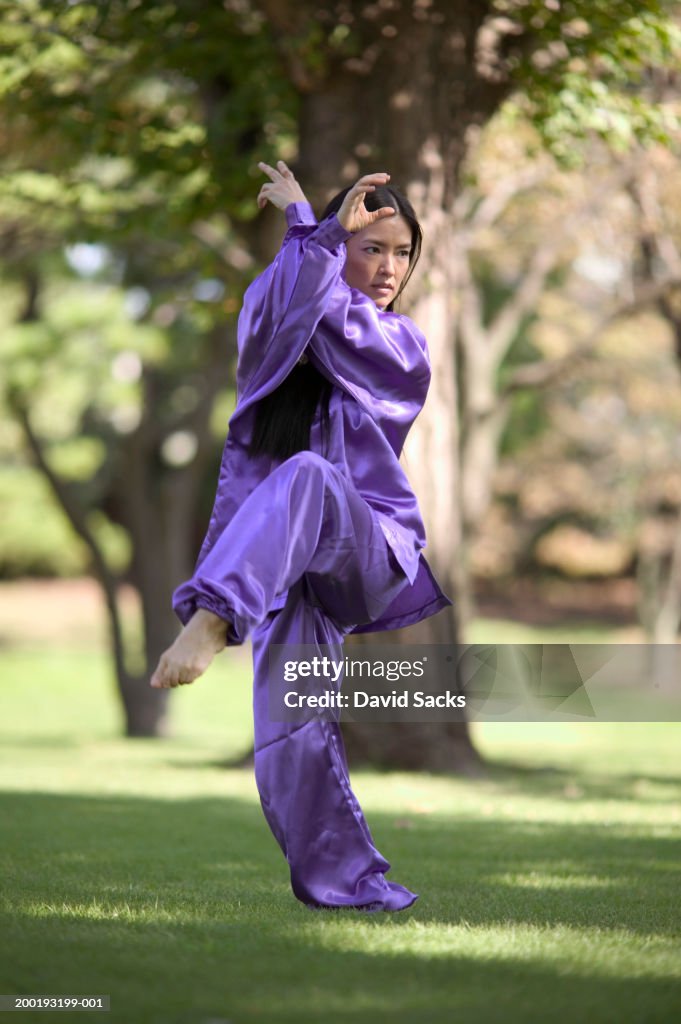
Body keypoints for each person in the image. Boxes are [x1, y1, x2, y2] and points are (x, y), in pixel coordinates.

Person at [150, 160, 451, 912]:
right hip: (286, 567)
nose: (388, 268)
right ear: (338, 247)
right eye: (370, 247)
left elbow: (333, 326)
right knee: (292, 735)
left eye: (401, 252)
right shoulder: (296, 315)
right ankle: (350, 886)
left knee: (311, 474)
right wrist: (308, 235)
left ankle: (210, 619)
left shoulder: (401, 346)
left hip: (368, 548)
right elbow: (272, 321)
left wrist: (306, 234)